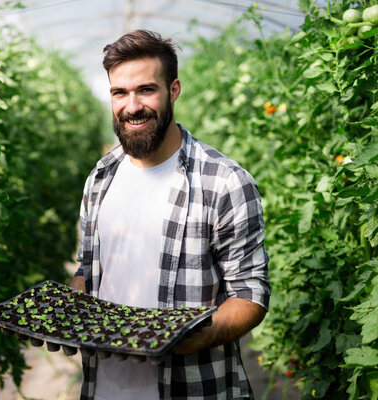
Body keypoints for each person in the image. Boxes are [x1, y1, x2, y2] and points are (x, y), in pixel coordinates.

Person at [69, 29, 271, 400]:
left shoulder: (223, 182)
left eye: (146, 89)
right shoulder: (99, 178)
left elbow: (250, 292)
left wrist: (201, 335)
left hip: (191, 388)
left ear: (173, 90)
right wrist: (69, 313)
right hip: (105, 388)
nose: (132, 106)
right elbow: (88, 270)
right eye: (119, 93)